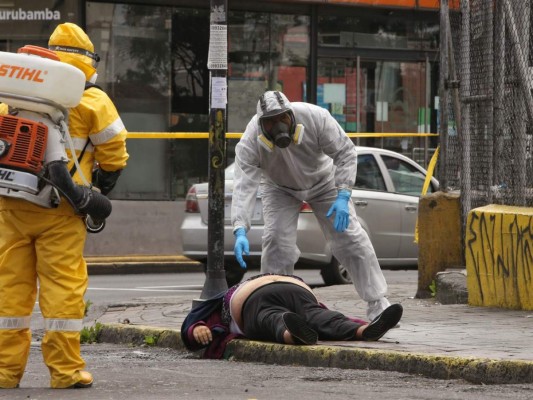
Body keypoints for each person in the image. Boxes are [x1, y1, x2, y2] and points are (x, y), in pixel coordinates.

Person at [0, 23, 128, 389]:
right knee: (62, 292)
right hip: (62, 210)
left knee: (9, 291)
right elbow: (115, 154)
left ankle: (5, 372)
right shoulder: (91, 99)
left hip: (11, 206)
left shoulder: (16, 91)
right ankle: (66, 372)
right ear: (88, 60)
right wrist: (97, 196)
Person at [231, 90, 392, 322]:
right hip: (279, 188)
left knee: (351, 238)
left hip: (324, 182)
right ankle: (275, 306)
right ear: (261, 125)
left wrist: (343, 195)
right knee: (276, 242)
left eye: (282, 118)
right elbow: (244, 184)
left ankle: (378, 303)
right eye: (270, 122)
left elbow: (345, 152)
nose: (278, 126)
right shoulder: (251, 140)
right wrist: (239, 228)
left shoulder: (316, 117)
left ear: (291, 115)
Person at [181, 273, 403, 358]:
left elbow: (194, 325)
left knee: (270, 319)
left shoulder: (221, 304)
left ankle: (292, 334)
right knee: (319, 317)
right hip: (296, 287)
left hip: (254, 299)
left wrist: (197, 328)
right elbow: (195, 326)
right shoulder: (249, 283)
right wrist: (197, 328)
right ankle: (363, 331)